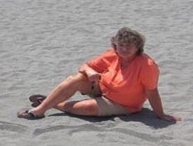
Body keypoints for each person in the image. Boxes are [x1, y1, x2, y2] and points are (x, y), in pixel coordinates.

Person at [18, 27, 177, 122]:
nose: (124, 49)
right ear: (115, 45)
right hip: (102, 88)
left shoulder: (147, 65)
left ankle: (52, 102)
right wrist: (90, 71)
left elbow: (152, 92)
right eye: (121, 45)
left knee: (87, 109)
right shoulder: (112, 55)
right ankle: (40, 110)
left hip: (123, 104)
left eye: (129, 46)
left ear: (138, 47)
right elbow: (85, 66)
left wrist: (161, 114)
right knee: (76, 78)